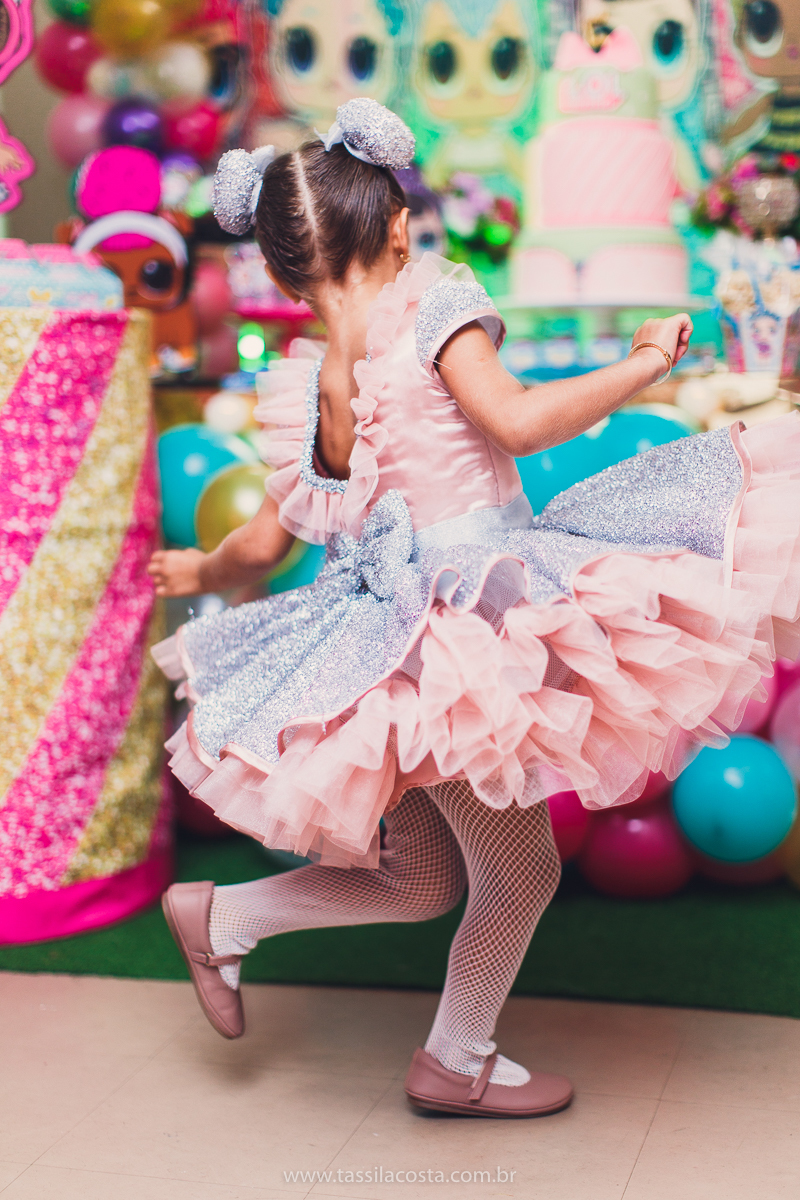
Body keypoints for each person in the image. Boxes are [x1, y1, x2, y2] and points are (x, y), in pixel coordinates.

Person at [149, 98, 800, 1118]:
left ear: (282, 274)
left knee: (420, 878)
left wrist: (197, 571)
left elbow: (273, 536)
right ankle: (453, 1060)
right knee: (519, 871)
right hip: (460, 631)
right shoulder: (436, 306)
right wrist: (641, 363)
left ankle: (222, 919)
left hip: (382, 647)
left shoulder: (318, 378)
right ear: (400, 226)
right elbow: (517, 420)